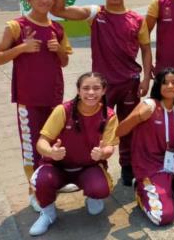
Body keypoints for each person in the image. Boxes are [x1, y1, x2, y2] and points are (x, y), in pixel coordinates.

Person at [51, 0, 152, 186]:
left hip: (129, 82)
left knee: (128, 126)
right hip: (101, 86)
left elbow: (145, 48)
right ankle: (96, 167)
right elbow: (57, 11)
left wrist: (145, 79)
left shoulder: (137, 19)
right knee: (96, 126)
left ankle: (128, 166)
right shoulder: (96, 13)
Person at [0, 0, 72, 211]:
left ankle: (52, 181)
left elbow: (65, 62)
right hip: (29, 100)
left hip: (54, 97)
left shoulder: (57, 28)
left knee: (53, 142)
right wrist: (21, 48)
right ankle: (35, 190)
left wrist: (58, 52)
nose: (44, 1)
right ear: (29, 0)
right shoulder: (16, 26)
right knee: (32, 147)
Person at [28, 72, 118, 236]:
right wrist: (51, 152)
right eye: (86, 88)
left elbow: (110, 147)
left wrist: (102, 153)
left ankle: (93, 197)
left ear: (104, 90)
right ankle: (47, 214)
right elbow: (41, 142)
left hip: (87, 167)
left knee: (100, 189)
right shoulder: (63, 110)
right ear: (78, 90)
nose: (91, 93)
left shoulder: (109, 115)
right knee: (43, 181)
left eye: (96, 88)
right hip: (57, 166)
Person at [116, 68, 174, 226]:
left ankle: (172, 182)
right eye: (165, 83)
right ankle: (141, 189)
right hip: (150, 166)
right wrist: (138, 117)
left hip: (170, 161)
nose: (170, 86)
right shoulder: (149, 105)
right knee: (163, 216)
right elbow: (120, 131)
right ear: (158, 86)